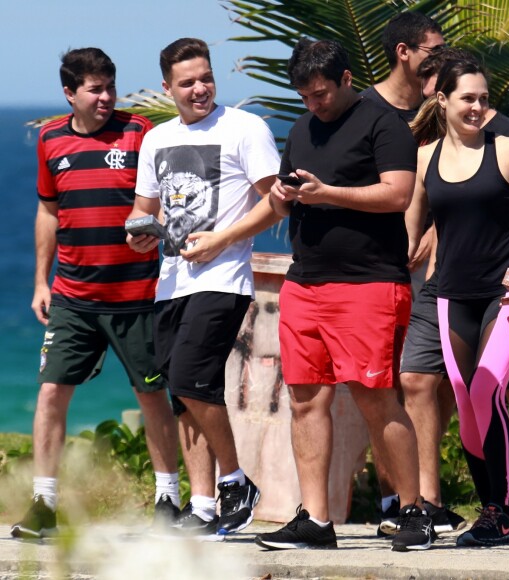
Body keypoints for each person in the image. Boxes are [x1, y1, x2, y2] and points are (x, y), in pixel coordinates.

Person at [253, 38, 435, 552]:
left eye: (322, 95)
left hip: (369, 283)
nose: (315, 104)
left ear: (347, 79)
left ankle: (414, 510)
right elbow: (284, 199)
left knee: (376, 398)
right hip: (305, 281)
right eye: (306, 96)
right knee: (306, 400)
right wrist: (282, 195)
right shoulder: (301, 128)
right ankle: (315, 519)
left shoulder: (384, 124)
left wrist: (328, 193)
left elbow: (398, 193)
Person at [11, 48, 179, 539]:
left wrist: (156, 229)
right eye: (95, 89)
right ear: (70, 93)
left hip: (137, 295)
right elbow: (48, 212)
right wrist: (40, 282)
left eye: (110, 87)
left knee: (152, 396)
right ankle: (44, 505)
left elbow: (168, 200)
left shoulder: (139, 132)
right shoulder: (50, 140)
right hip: (72, 298)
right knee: (50, 395)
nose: (106, 97)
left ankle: (167, 500)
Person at [399, 47, 509, 544]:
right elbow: (410, 231)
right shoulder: (424, 158)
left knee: (489, 389)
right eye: (467, 98)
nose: (477, 107)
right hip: (452, 293)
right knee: (469, 401)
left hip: (507, 291)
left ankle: (499, 510)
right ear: (442, 99)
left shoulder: (507, 149)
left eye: (484, 98)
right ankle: (492, 505)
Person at [126, 37, 280, 539]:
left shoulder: (244, 128)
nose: (200, 88)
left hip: (223, 279)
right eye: (188, 82)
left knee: (191, 378)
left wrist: (223, 239)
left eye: (206, 77)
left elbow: (276, 203)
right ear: (167, 87)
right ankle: (204, 505)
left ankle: (236, 483)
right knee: (183, 395)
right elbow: (145, 210)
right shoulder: (156, 138)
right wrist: (138, 235)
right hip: (171, 282)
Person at [360, 12, 465, 537]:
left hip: (437, 267)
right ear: (404, 51)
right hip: (379, 265)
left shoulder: (448, 104)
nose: (442, 56)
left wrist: (436, 234)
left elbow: (467, 178)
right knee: (388, 383)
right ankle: (395, 499)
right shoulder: (367, 110)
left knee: (433, 382)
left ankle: (426, 496)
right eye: (434, 49)